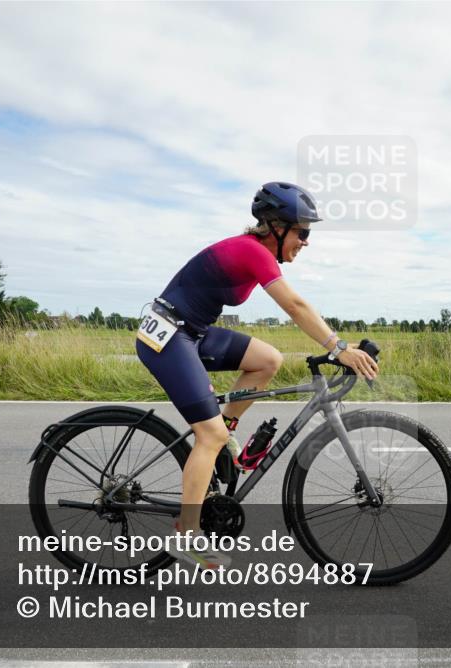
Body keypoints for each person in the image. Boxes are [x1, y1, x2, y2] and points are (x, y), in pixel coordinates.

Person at [136, 182, 380, 569]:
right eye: (303, 232)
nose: (306, 241)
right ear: (277, 227)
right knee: (208, 434)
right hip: (167, 335)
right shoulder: (253, 251)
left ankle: (226, 437)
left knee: (267, 359)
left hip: (192, 332)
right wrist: (339, 348)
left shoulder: (255, 251)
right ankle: (188, 535)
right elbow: (296, 306)